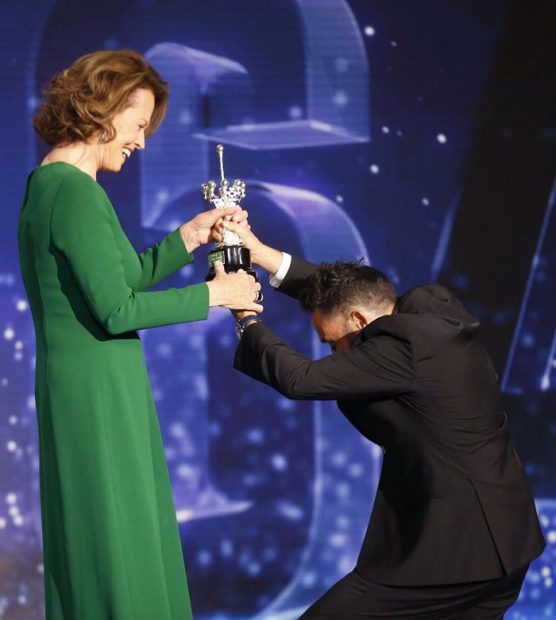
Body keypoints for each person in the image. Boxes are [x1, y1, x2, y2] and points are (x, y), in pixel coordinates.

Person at [18, 49, 262, 620]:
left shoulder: (56, 184)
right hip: (97, 387)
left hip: (95, 381)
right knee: (112, 535)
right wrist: (215, 296)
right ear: (103, 111)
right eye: (137, 125)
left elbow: (121, 278)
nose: (142, 142)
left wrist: (190, 236)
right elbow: (117, 311)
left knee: (112, 530)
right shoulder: (72, 190)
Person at [222, 221, 545, 619]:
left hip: (457, 552)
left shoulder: (399, 349)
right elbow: (345, 294)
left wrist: (245, 316)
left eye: (333, 342)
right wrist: (259, 253)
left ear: (359, 323)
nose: (337, 355)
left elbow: (300, 379)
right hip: (506, 541)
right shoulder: (430, 307)